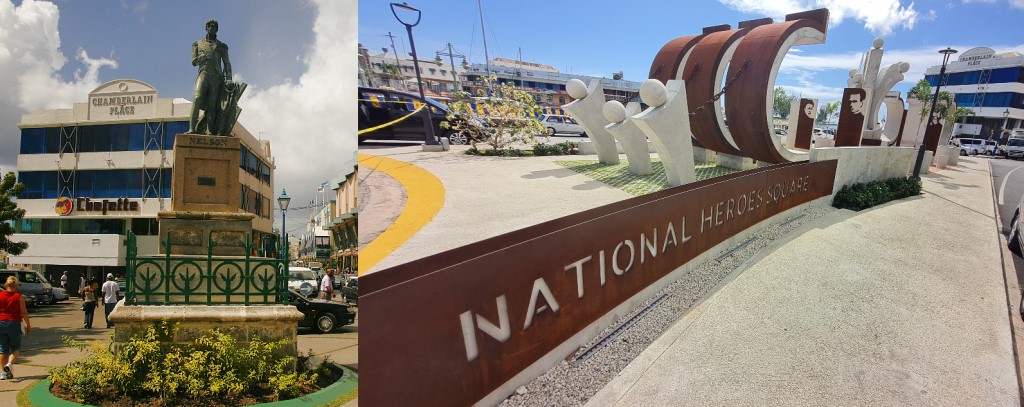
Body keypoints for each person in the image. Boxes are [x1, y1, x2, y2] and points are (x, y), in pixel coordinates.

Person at [0, 276, 30, 380]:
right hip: (14, 323)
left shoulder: (0, 295)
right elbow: (24, 313)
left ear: (6, 284)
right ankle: (9, 364)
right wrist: (28, 324)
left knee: (3, 349)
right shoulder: (19, 297)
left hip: (1, 322)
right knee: (15, 348)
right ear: (16, 285)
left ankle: (3, 373)